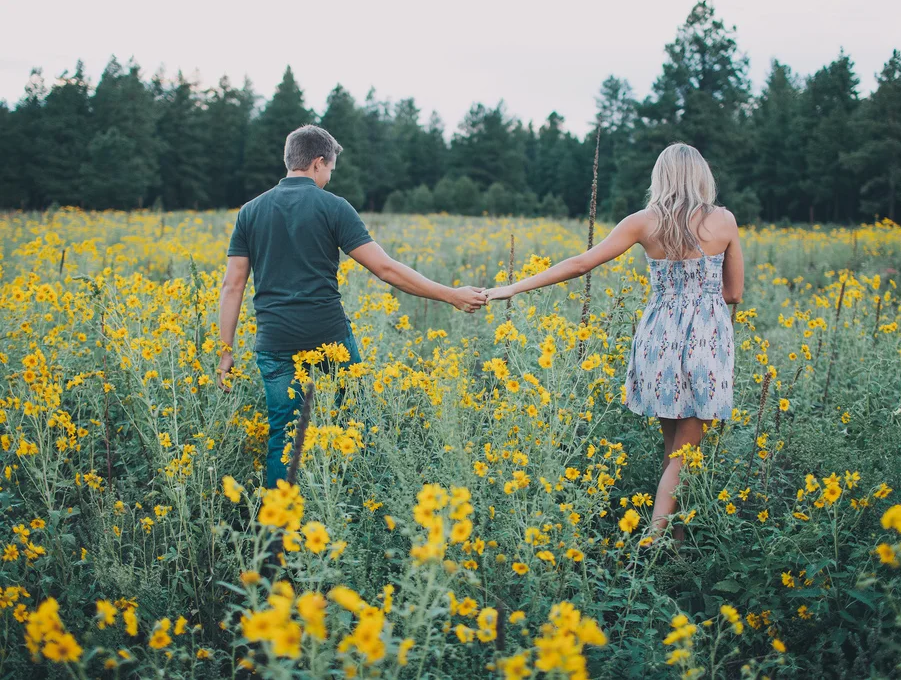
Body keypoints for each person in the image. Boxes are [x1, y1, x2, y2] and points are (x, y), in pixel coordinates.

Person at [484, 142, 744, 539]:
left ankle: (672, 540)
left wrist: (512, 288)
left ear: (662, 177)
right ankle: (654, 546)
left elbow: (580, 264)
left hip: (658, 337)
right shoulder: (724, 221)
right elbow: (733, 293)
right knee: (685, 455)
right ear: (703, 177)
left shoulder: (643, 221)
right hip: (705, 339)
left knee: (674, 449)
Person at [217, 124, 486, 488]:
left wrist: (225, 352)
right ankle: (347, 507)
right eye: (330, 169)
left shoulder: (250, 211)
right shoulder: (334, 207)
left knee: (284, 437)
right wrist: (450, 294)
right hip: (328, 337)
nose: (329, 177)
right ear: (317, 162)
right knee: (354, 421)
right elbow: (386, 269)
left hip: (275, 341)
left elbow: (232, 285)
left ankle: (279, 531)